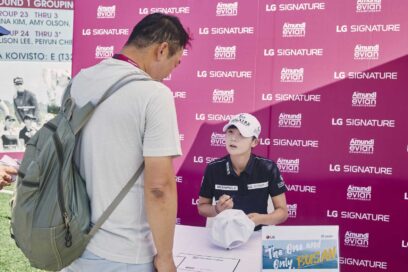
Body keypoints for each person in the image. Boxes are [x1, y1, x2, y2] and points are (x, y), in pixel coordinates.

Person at [62, 13, 191, 272]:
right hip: (125, 253)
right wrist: (165, 257)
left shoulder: (79, 81)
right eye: (174, 64)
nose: (168, 74)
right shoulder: (154, 95)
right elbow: (159, 187)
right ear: (162, 49)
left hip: (70, 241)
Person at [198, 113, 288, 231]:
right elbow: (202, 207)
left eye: (242, 134)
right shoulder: (213, 168)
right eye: (230, 132)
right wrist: (217, 209)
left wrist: (259, 220)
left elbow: (283, 212)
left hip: (256, 235)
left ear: (254, 142)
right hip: (224, 235)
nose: (233, 138)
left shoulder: (268, 168)